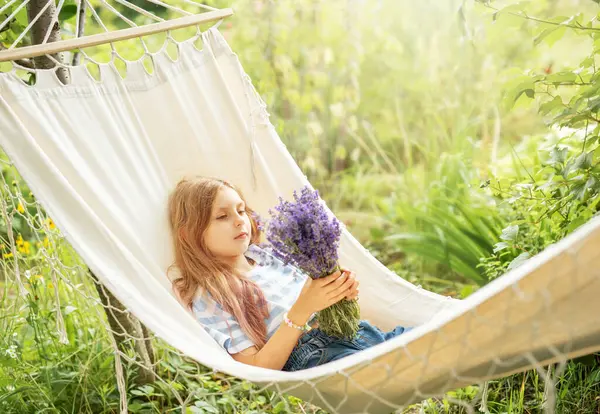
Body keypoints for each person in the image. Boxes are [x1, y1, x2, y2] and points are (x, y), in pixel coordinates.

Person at [167, 176, 410, 371]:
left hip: (356, 332)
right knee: (384, 374)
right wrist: (300, 312)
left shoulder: (267, 257)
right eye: (222, 216)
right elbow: (257, 368)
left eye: (241, 211)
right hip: (317, 357)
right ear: (188, 234)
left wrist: (338, 292)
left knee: (427, 341)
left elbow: (313, 299)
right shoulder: (211, 295)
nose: (240, 221)